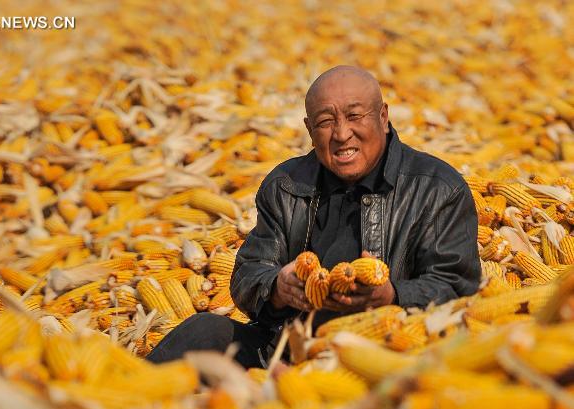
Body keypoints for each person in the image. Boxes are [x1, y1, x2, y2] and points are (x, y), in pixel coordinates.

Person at [148, 65, 481, 368]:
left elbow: (457, 286)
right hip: (289, 350)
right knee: (206, 330)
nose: (341, 134)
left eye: (355, 116)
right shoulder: (286, 185)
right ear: (309, 129)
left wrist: (392, 296)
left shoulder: (438, 188)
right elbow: (248, 273)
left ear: (383, 116)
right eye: (325, 121)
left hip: (389, 352)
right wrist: (278, 287)